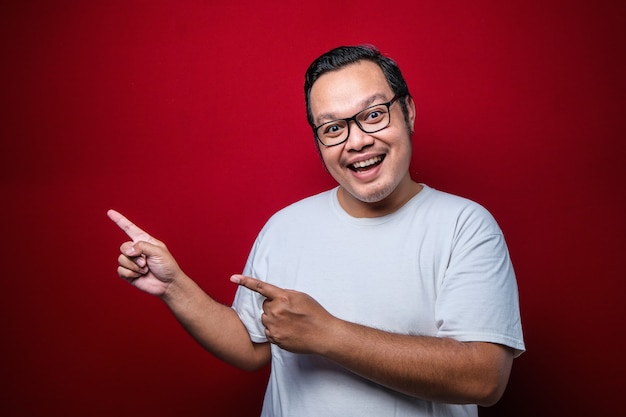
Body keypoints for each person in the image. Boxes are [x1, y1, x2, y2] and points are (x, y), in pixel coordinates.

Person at [109, 44, 525, 417]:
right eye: (333, 128)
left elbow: (484, 380)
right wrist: (174, 287)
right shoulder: (285, 227)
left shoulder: (465, 226)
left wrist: (329, 335)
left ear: (409, 112)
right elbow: (253, 346)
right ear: (319, 142)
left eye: (374, 115)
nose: (357, 141)